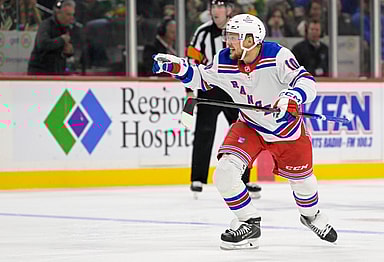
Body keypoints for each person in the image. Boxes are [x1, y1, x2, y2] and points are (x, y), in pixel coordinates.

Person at [152, 13, 337, 250]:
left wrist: (291, 96)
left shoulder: (277, 55)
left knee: (304, 186)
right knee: (225, 172)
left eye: (233, 38)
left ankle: (311, 217)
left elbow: (306, 81)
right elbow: (201, 78)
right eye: (227, 36)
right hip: (249, 125)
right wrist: (175, 66)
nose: (227, 42)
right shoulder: (224, 59)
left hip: (286, 130)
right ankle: (249, 222)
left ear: (250, 40)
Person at [186, 0, 261, 199]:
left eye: (220, 6)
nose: (215, 11)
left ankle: (245, 179)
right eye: (213, 7)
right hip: (209, 87)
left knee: (244, 131)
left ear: (228, 10)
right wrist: (189, 90)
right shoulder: (202, 32)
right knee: (204, 130)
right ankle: (197, 178)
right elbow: (191, 59)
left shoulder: (239, 30)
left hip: (234, 88)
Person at [27, 0, 75, 75]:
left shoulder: (68, 28)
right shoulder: (46, 25)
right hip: (40, 72)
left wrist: (69, 51)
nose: (71, 18)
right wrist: (61, 40)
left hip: (57, 72)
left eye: (72, 15)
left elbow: (71, 50)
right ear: (59, 13)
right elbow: (43, 44)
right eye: (68, 15)